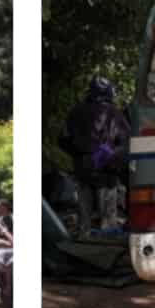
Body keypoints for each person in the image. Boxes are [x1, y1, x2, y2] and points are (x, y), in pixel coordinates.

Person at [60, 77, 132, 232]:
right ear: (109, 92)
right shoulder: (115, 114)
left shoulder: (76, 112)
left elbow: (63, 139)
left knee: (84, 222)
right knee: (108, 223)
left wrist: (78, 155)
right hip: (107, 175)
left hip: (83, 173)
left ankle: (83, 246)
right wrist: (113, 160)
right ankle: (105, 251)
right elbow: (126, 142)